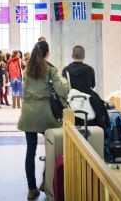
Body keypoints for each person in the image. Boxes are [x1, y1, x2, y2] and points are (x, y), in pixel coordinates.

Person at [18, 41, 70, 200]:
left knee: (30, 152)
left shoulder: (27, 69)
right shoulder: (50, 69)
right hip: (46, 116)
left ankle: (32, 189)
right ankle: (47, 182)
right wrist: (67, 85)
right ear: (47, 53)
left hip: (28, 115)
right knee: (53, 150)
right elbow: (61, 91)